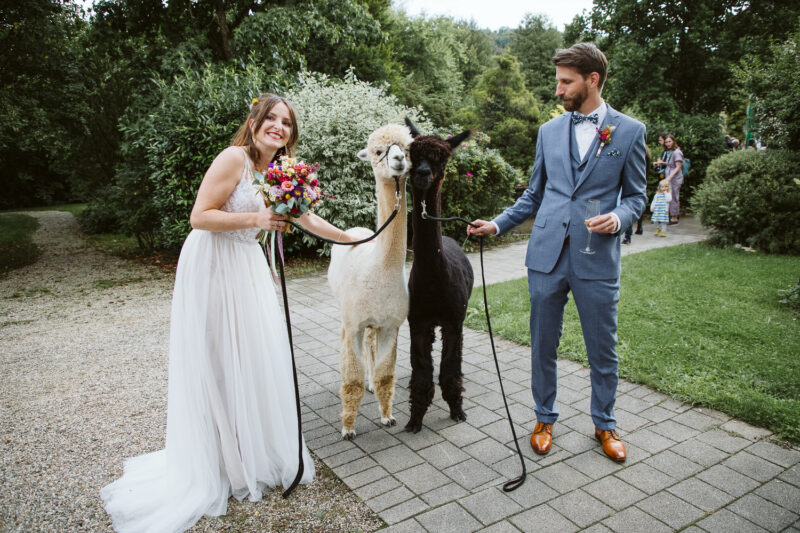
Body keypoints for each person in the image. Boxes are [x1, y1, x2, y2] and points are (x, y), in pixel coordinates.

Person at [101, 94, 356, 533]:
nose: (279, 126)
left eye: (287, 122)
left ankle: (248, 453)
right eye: (271, 118)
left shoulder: (278, 173)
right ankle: (218, 460)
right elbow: (199, 217)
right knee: (218, 359)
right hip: (213, 265)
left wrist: (353, 240)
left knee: (252, 358)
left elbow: (306, 218)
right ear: (254, 121)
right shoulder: (233, 158)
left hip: (246, 269)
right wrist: (256, 220)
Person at [469, 43, 647, 463]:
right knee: (542, 343)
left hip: (596, 255)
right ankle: (544, 417)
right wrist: (497, 224)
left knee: (603, 347)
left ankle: (605, 424)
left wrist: (618, 219)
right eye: (557, 82)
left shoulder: (630, 131)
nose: (558, 90)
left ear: (592, 80)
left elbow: (637, 197)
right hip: (546, 255)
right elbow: (534, 194)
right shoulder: (548, 132)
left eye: (566, 82)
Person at [663, 134, 684, 224]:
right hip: (669, 177)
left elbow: (678, 166)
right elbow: (670, 164)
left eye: (669, 141)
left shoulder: (677, 152)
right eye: (666, 142)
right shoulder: (670, 152)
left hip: (674, 178)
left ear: (674, 141)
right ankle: (673, 215)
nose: (668, 144)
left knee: (674, 196)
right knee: (669, 196)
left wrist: (670, 177)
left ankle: (674, 217)